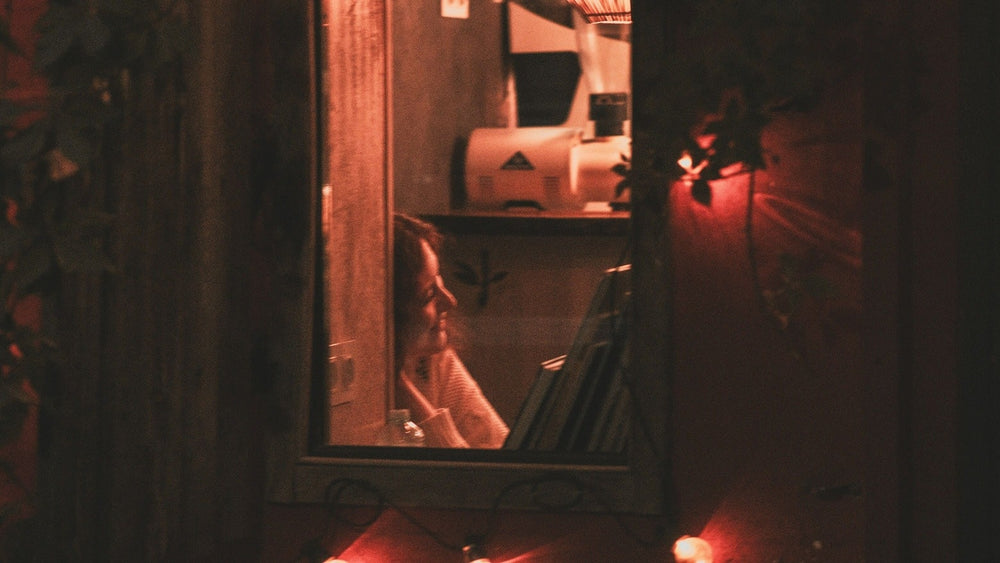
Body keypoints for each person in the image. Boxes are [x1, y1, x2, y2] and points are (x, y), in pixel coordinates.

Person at [392, 213, 509, 448]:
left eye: (439, 281)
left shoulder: (434, 359)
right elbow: (457, 477)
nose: (450, 301)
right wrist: (399, 385)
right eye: (427, 295)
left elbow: (498, 454)